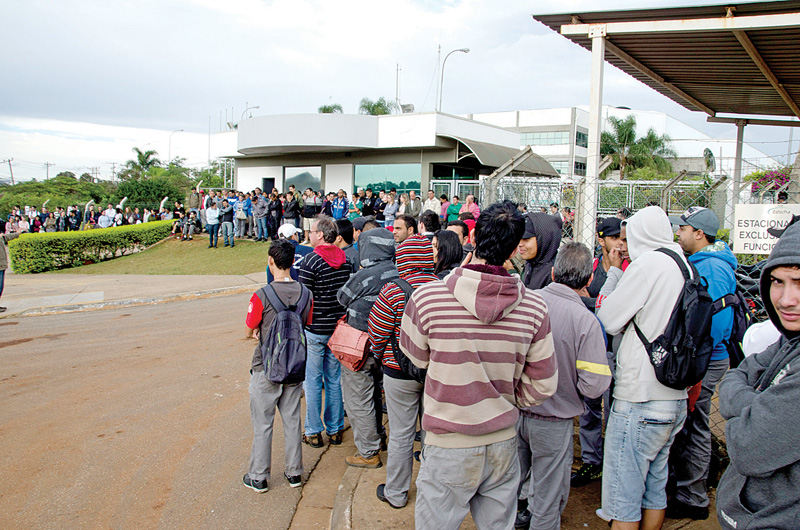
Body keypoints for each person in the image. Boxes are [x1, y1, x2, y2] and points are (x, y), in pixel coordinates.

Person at [399, 200, 558, 529]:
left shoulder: (428, 298)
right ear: (514, 247)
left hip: (447, 443)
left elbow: (414, 356)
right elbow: (544, 383)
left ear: (473, 237)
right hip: (502, 441)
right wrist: (508, 398)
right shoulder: (534, 308)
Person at [595, 206, 690, 529]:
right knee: (653, 489)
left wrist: (617, 272)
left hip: (640, 398)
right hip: (673, 396)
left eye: (627, 236)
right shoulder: (683, 265)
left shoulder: (648, 265)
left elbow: (608, 320)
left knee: (624, 497)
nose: (623, 243)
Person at [516, 242, 611, 530]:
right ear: (589, 280)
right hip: (555, 421)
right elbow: (594, 386)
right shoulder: (586, 320)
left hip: (515, 412)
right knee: (547, 497)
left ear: (554, 272)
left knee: (508, 484)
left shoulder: (526, 302)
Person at [715, 220, 800, 530]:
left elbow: (748, 447)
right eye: (777, 282)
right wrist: (754, 406)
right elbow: (738, 373)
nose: (786, 299)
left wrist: (744, 413)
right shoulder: (788, 340)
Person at [664, 207, 738, 521]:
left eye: (683, 228)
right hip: (702, 359)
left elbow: (717, 321)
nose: (677, 233)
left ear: (699, 233)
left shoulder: (713, 267)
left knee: (694, 427)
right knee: (689, 425)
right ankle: (687, 490)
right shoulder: (704, 262)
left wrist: (695, 358)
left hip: (705, 361)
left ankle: (693, 498)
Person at [242, 239, 313, 493]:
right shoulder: (306, 293)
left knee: (263, 423)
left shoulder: (262, 295)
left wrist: (259, 332)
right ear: (293, 262)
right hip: (294, 365)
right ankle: (294, 473)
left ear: (271, 262)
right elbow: (306, 322)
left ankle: (259, 476)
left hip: (266, 366)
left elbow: (250, 327)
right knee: (293, 421)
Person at [573, 217, 630, 489]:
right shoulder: (594, 267)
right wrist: (596, 302)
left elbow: (614, 306)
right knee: (590, 409)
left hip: (618, 352)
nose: (620, 243)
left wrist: (591, 301)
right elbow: (582, 302)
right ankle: (592, 462)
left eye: (624, 238)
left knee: (617, 411)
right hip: (592, 351)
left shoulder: (630, 270)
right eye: (614, 237)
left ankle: (616, 467)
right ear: (601, 239)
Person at [336, 227, 399, 470]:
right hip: (389, 346)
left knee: (358, 398)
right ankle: (378, 437)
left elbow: (342, 297)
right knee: (374, 393)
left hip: (359, 346)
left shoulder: (365, 275)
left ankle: (368, 452)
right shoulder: (398, 271)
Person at [297, 215, 351, 448]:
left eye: (311, 231)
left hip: (315, 328)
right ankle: (335, 428)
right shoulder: (346, 260)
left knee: (312, 380)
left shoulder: (310, 262)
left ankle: (313, 430)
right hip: (336, 328)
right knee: (334, 379)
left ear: (320, 235)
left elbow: (304, 298)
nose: (308, 235)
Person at [519, 212, 562, 291]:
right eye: (519, 239)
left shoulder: (555, 274)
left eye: (526, 239)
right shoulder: (532, 263)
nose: (520, 244)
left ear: (544, 239)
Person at [0, 231, 21, 313]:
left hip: (1, 265)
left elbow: (7, 237)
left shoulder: (1, 237)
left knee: (0, 287)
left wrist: (19, 233)